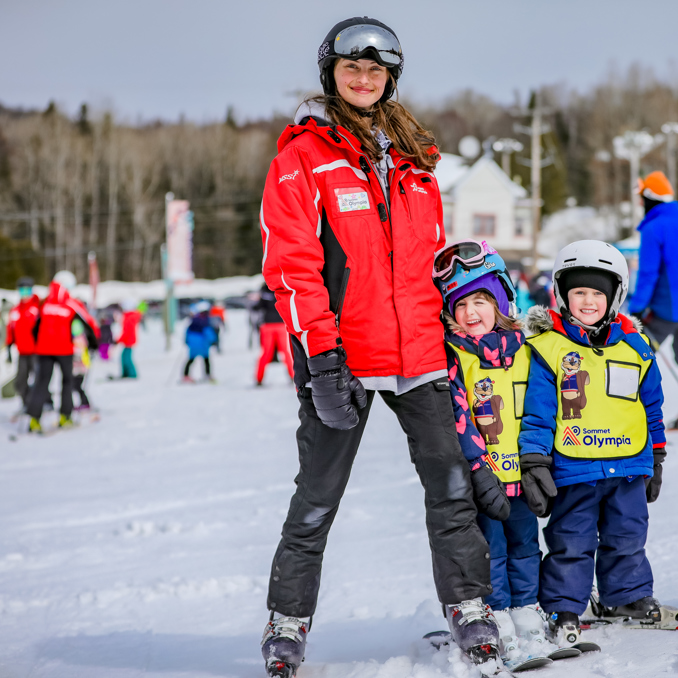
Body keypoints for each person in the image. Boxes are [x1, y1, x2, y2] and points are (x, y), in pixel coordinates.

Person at [258, 18, 496, 677]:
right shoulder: (303, 156)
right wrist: (323, 360)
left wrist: (467, 314)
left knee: (451, 490)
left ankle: (471, 607)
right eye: (350, 69)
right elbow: (293, 266)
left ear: (391, 77)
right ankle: (286, 624)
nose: (363, 79)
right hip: (344, 359)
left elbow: (422, 260)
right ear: (330, 73)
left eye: (376, 70)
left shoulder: (416, 156)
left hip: (420, 354)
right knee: (317, 497)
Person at [519, 240, 666, 646]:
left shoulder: (636, 347)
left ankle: (627, 597)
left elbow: (651, 405)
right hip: (575, 466)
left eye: (596, 293)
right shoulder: (548, 349)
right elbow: (537, 411)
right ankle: (563, 606)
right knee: (571, 540)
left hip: (629, 465)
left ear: (614, 297)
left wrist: (656, 455)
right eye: (578, 292)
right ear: (562, 295)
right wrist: (534, 461)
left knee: (628, 535)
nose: (587, 301)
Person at [434, 240, 546, 661]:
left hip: (523, 476)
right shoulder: (454, 356)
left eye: (481, 300)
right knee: (492, 552)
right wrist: (479, 471)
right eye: (460, 304)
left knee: (525, 547)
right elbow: (457, 418)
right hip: (484, 481)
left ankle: (528, 615)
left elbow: (541, 408)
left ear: (501, 301)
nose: (470, 312)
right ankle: (498, 618)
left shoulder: (527, 351)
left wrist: (540, 461)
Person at [26, 270, 99, 432]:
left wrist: (39, 343)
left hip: (44, 350)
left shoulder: (45, 302)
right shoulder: (71, 303)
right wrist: (94, 344)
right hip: (64, 350)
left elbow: (35, 326)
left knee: (41, 382)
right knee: (67, 382)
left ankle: (34, 419)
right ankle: (65, 416)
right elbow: (88, 324)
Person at [627, 171, 678, 358]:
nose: (640, 203)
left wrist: (636, 309)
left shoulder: (654, 227)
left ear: (650, 198)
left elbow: (648, 274)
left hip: (667, 310)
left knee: (636, 357)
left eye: (642, 198)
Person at [5, 276, 40, 413]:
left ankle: (44, 403)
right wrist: (8, 347)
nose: (25, 295)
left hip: (36, 352)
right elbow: (11, 329)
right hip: (22, 352)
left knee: (39, 380)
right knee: (20, 382)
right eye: (22, 291)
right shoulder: (16, 310)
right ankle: (27, 403)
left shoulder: (37, 308)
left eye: (27, 291)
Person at [254, 283, 294, 386]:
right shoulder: (281, 286)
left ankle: (259, 378)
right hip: (280, 324)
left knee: (266, 353)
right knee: (285, 352)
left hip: (267, 325)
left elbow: (257, 307)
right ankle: (293, 376)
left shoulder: (264, 290)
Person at [183, 301, 216, 383]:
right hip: (203, 344)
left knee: (190, 360)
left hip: (193, 344)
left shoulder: (193, 321)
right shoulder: (205, 322)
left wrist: (187, 341)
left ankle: (186, 376)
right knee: (206, 360)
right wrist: (213, 341)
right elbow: (209, 333)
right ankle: (207, 375)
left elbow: (187, 332)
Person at [118, 300, 143, 378]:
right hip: (128, 340)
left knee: (126, 358)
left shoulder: (129, 317)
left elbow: (127, 331)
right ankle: (127, 373)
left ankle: (131, 373)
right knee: (124, 356)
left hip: (129, 340)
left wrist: (120, 339)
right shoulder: (129, 316)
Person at [71, 319, 91, 411]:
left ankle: (85, 402)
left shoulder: (78, 340)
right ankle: (83, 402)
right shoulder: (81, 338)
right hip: (79, 367)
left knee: (77, 386)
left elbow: (79, 352)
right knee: (76, 386)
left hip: (80, 367)